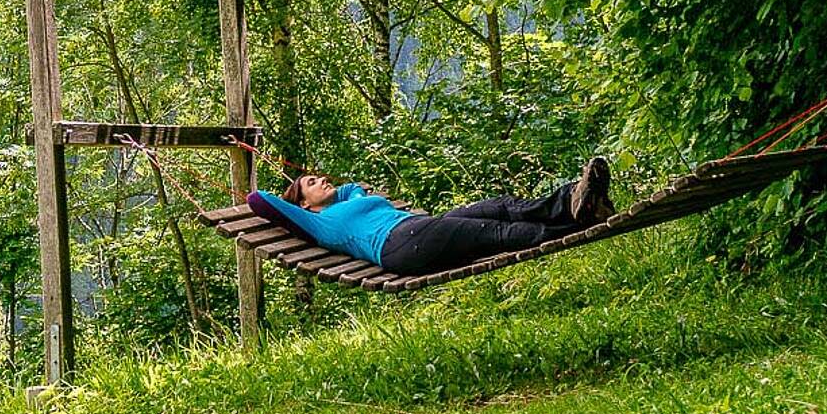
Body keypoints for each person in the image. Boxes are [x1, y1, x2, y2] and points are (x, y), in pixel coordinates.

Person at [258, 157, 614, 275]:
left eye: (318, 176)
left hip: (417, 229)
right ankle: (576, 226)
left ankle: (573, 200)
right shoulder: (320, 224)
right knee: (491, 231)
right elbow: (259, 200)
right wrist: (249, 148)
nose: (321, 179)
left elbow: (351, 187)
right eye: (311, 183)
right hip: (401, 245)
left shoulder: (348, 199)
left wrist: (331, 188)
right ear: (303, 205)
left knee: (500, 206)